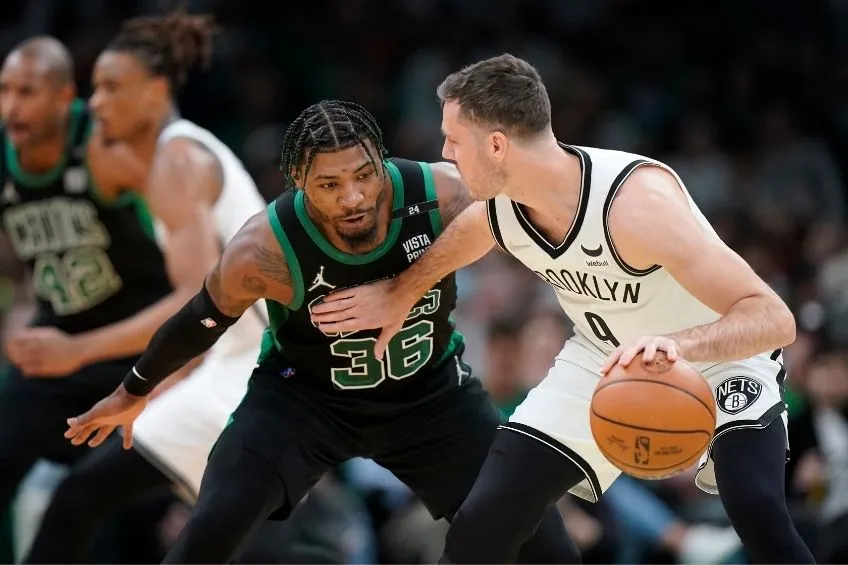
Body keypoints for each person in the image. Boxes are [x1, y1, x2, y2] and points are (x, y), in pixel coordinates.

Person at [309, 54, 815, 564]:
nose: (445, 152)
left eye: (454, 140)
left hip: (718, 354)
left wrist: (678, 346)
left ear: (496, 145)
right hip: (603, 359)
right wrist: (399, 294)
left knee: (756, 509)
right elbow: (472, 232)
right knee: (484, 519)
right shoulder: (506, 206)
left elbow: (773, 318)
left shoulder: (634, 203)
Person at [63, 98, 579, 564]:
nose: (353, 197)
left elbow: (520, 222)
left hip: (431, 395)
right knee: (208, 533)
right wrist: (133, 390)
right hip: (305, 402)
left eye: (364, 176)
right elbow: (198, 321)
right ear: (297, 180)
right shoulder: (262, 248)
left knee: (549, 549)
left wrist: (401, 291)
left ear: (381, 161)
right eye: (330, 185)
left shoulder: (440, 193)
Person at [19, 11, 272, 563]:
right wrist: (163, 382)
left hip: (252, 371)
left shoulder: (177, 161)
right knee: (202, 528)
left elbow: (193, 302)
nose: (97, 103)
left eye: (112, 87)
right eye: (95, 88)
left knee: (79, 498)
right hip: (241, 364)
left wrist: (78, 351)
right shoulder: (183, 150)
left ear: (156, 92)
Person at [0, 35, 185, 532]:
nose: (12, 106)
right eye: (5, 91)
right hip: (58, 344)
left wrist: (186, 359)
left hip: (141, 346)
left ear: (66, 97)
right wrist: (19, 307)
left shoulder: (107, 146)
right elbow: (16, 262)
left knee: (113, 510)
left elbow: (192, 271)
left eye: (27, 92)